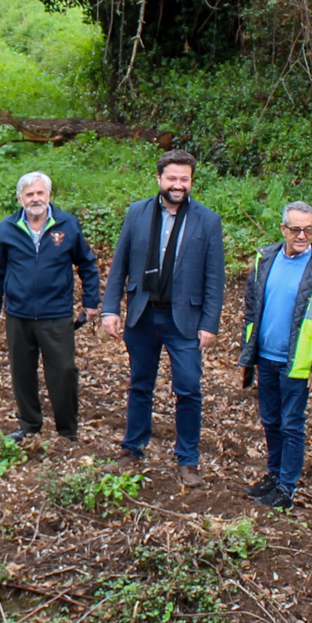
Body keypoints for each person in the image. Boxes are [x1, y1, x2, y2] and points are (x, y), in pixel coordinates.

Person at [99, 150, 226, 487]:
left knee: (188, 388)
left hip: (183, 319)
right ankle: (133, 448)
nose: (178, 185)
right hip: (141, 316)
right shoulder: (137, 213)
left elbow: (215, 277)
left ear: (191, 182)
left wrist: (210, 323)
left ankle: (188, 459)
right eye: (172, 178)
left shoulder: (207, 221)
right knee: (140, 384)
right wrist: (111, 308)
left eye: (184, 179)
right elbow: (120, 264)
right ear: (159, 179)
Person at [235, 202, 312, 510]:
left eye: (308, 229)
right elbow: (251, 308)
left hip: (298, 362)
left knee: (291, 423)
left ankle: (287, 485)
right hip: (266, 356)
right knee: (270, 419)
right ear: (283, 229)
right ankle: (274, 474)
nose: (302, 235)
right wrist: (248, 353)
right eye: (296, 229)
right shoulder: (264, 260)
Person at [0, 171, 100, 444]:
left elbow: (87, 264)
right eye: (29, 194)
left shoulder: (68, 224)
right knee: (22, 373)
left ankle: (67, 431)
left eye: (40, 193)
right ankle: (29, 426)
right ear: (20, 198)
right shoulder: (8, 227)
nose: (35, 199)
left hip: (56, 314)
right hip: (18, 314)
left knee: (63, 372)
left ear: (48, 195)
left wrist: (90, 301)